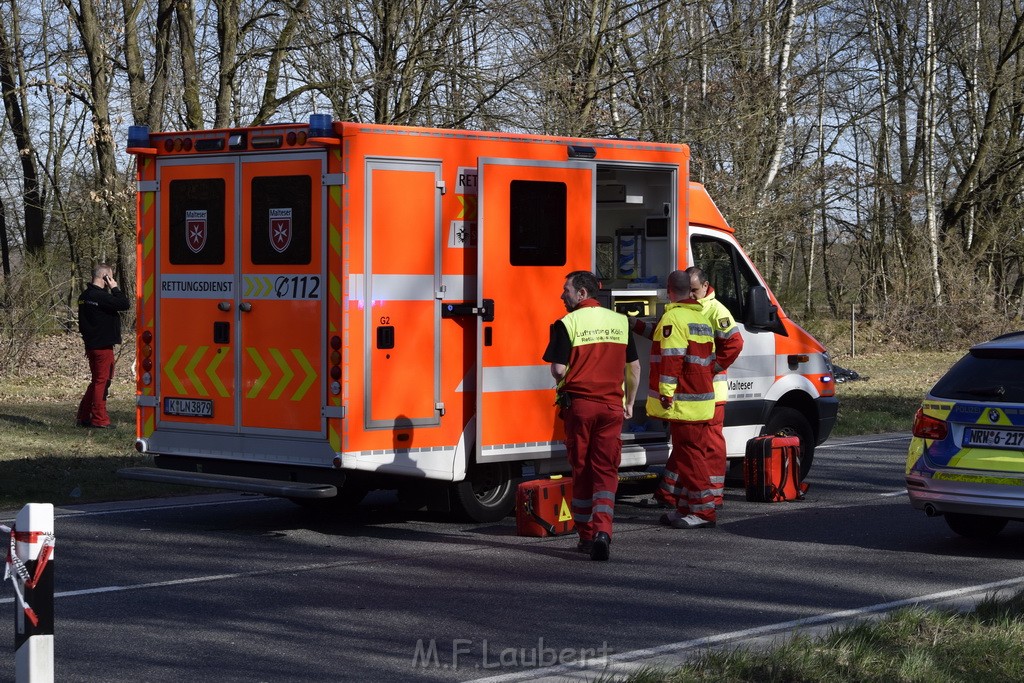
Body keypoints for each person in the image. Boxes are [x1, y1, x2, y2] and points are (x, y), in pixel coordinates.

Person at [543, 271, 640, 561]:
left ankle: (586, 536)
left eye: (567, 291)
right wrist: (630, 403)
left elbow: (559, 370)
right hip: (612, 408)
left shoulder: (566, 323)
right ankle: (603, 531)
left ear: (582, 294)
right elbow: (634, 368)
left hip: (581, 407)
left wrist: (566, 380)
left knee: (582, 469)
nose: (563, 296)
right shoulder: (620, 322)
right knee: (606, 471)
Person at [644, 270, 717, 528]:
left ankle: (703, 512)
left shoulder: (674, 318)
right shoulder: (700, 317)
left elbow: (671, 360)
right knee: (688, 456)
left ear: (668, 290)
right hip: (700, 400)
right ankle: (686, 507)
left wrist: (665, 394)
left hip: (684, 402)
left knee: (690, 457)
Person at [685, 266, 744, 510]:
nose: (691, 295)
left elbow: (735, 343)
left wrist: (713, 367)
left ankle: (714, 495)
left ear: (706, 286)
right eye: (687, 290)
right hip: (694, 394)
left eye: (695, 290)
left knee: (710, 445)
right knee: (688, 446)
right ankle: (677, 495)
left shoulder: (716, 310)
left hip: (712, 392)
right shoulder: (690, 307)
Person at [77, 263, 130, 429]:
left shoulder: (84, 296)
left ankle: (84, 416)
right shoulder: (101, 297)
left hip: (91, 345)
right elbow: (124, 304)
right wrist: (115, 288)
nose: (112, 280)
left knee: (96, 381)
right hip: (103, 347)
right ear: (106, 278)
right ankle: (99, 419)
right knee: (102, 382)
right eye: (110, 277)